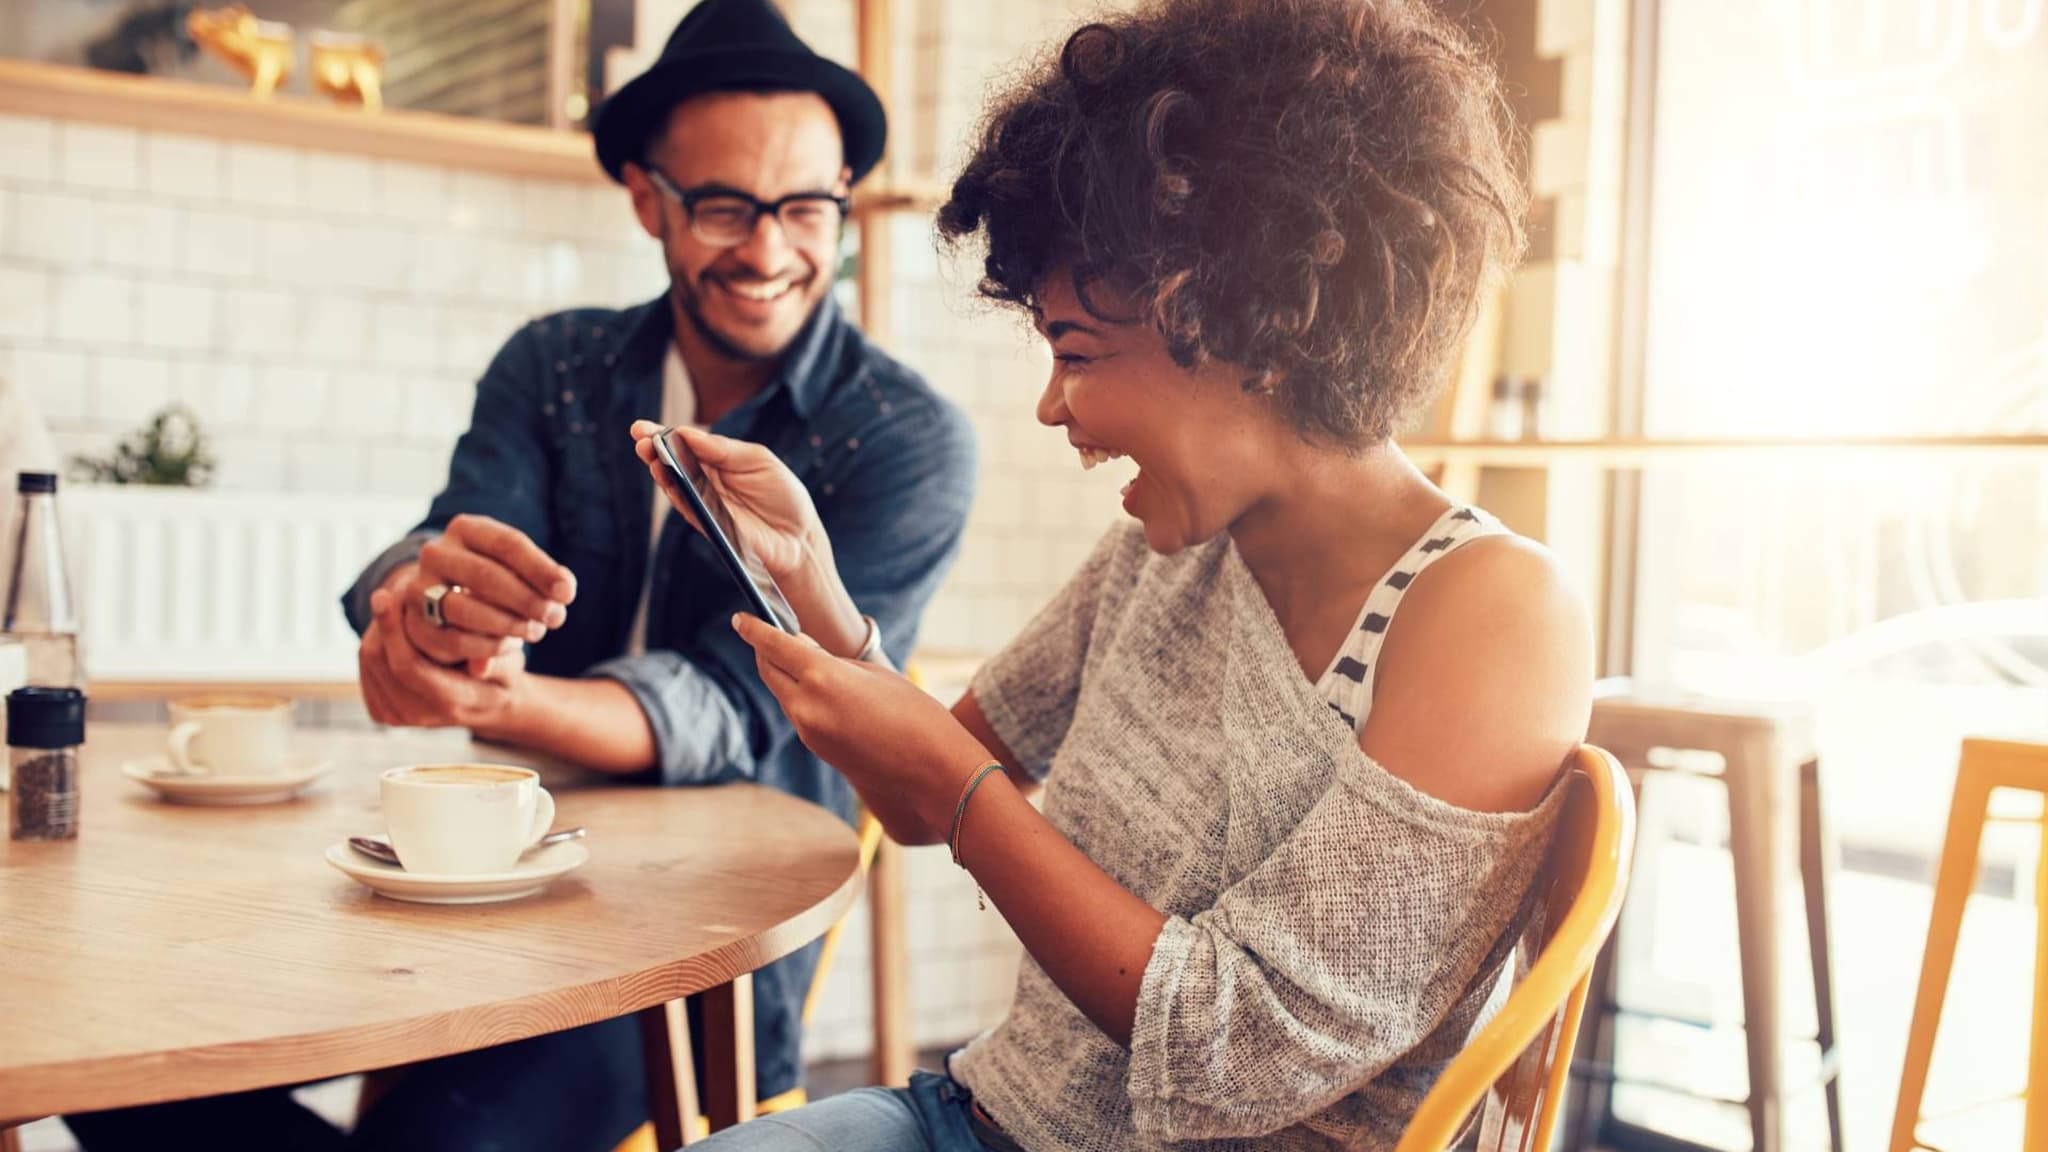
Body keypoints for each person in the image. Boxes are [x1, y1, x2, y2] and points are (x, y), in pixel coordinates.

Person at [633, 0, 1592, 1148]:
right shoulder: (1160, 554)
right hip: (979, 1119)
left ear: (1241, 320)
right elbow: (914, 796)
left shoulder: (1492, 612)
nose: (1053, 407)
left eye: (1074, 353)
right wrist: (814, 592)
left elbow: (1236, 1049)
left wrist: (957, 789)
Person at [63, 2, 974, 1150]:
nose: (769, 248)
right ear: (648, 199)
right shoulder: (555, 364)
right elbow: (448, 545)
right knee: (122, 1056)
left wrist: (497, 698)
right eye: (723, 206)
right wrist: (421, 612)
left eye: (803, 206)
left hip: (707, 931)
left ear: (841, 196)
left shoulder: (905, 436)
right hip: (484, 871)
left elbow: (733, 707)